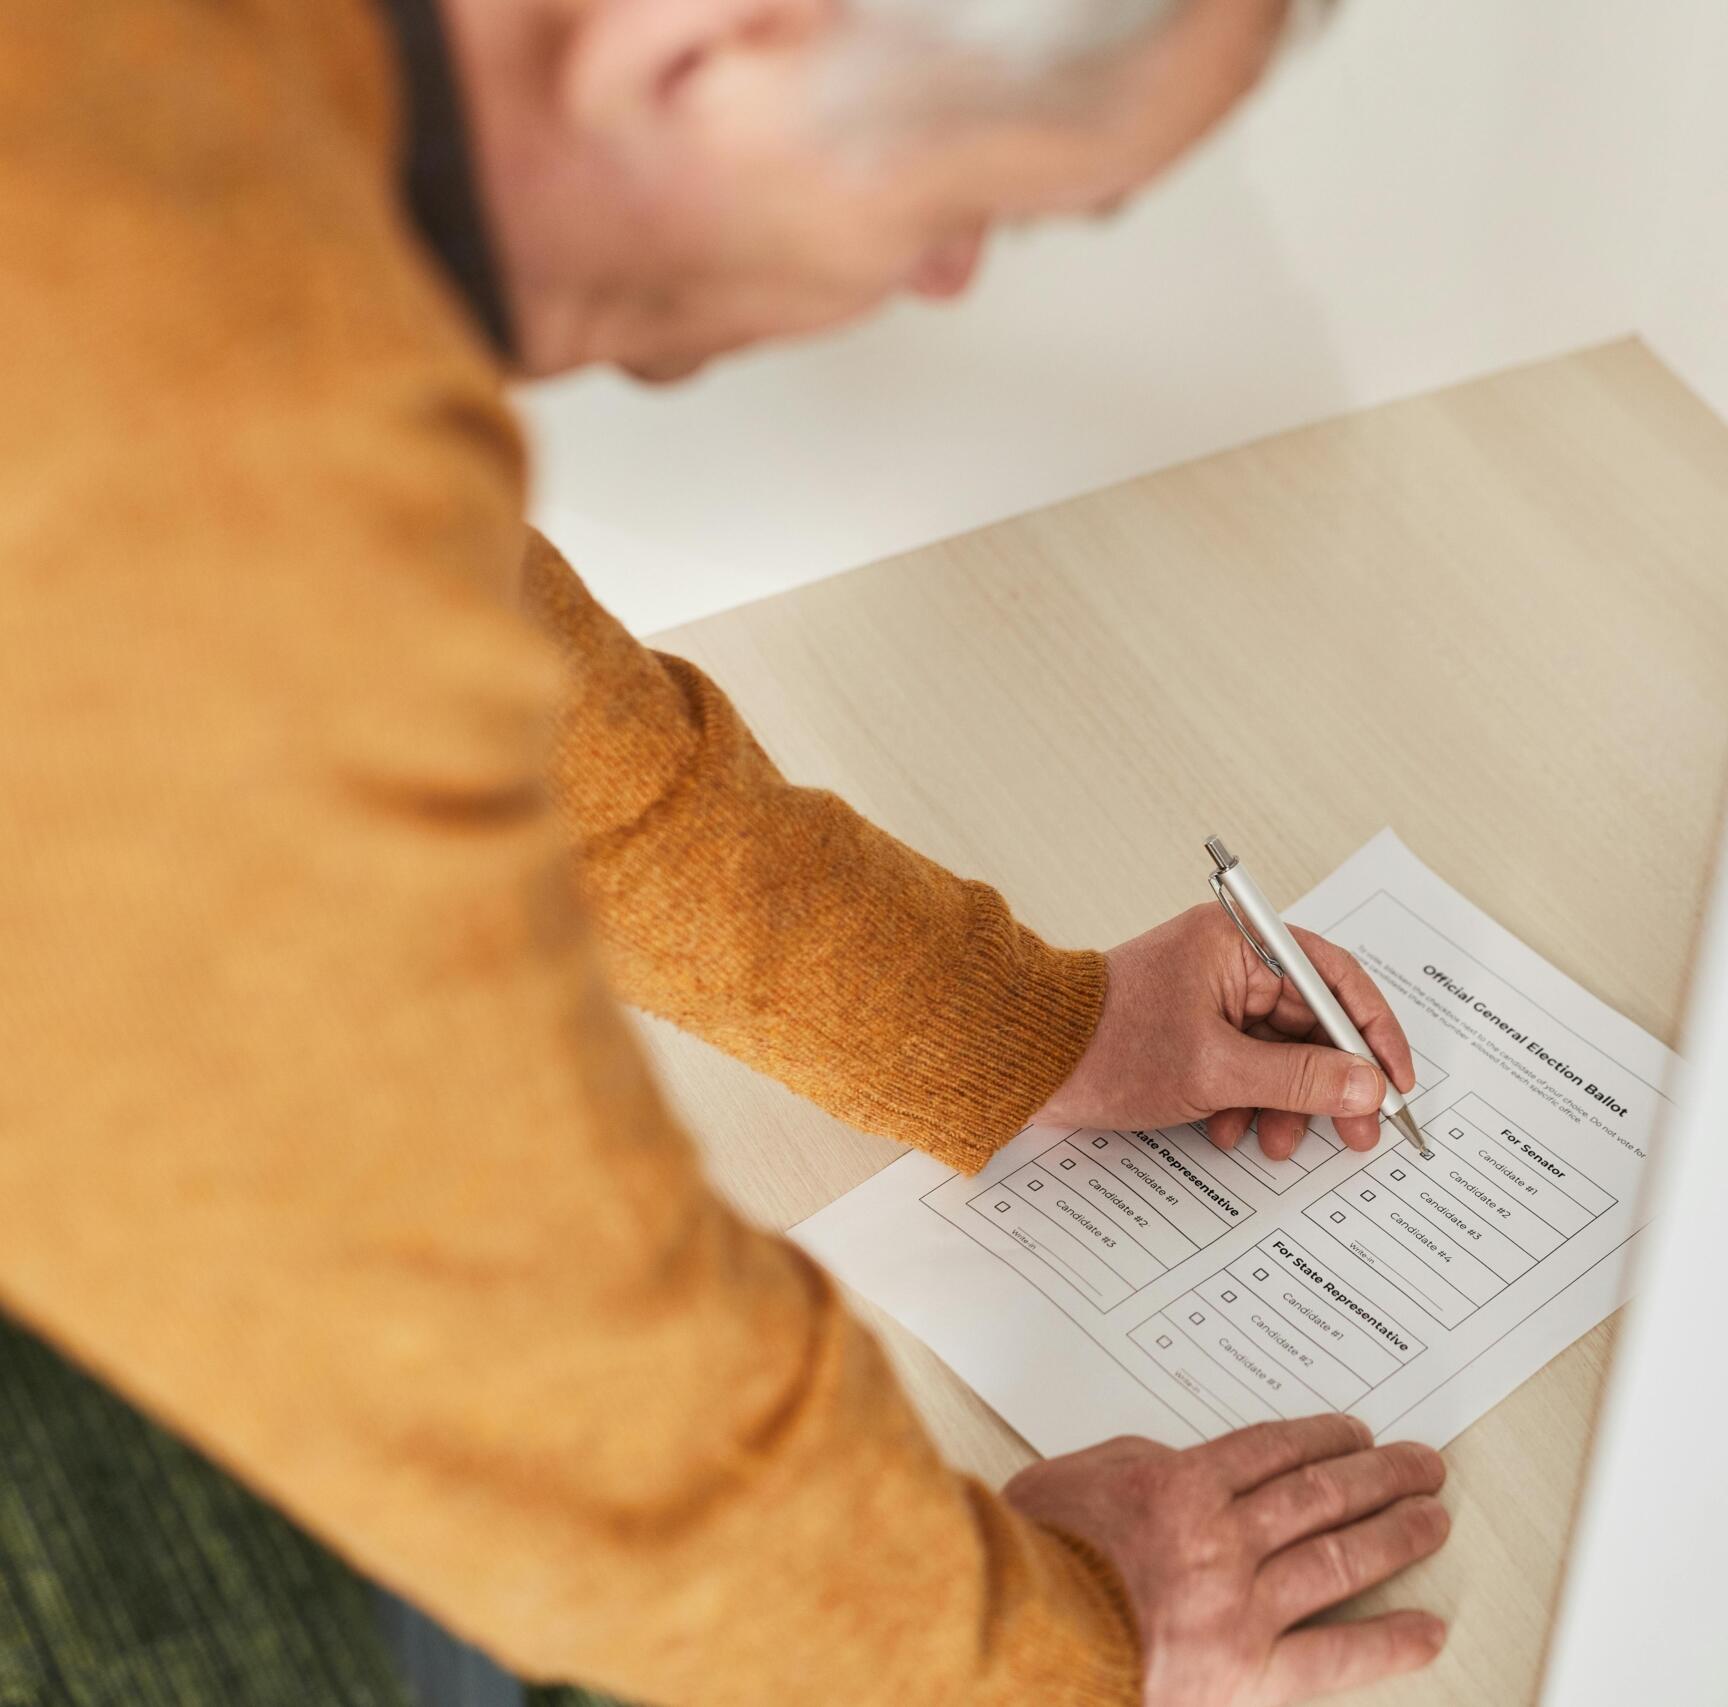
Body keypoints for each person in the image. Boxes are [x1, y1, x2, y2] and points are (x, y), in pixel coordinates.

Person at [0, 0, 1457, 1701]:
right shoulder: (174, 419)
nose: (948, 283)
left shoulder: (191, 114)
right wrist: (1056, 1650)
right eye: (965, 205)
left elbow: (548, 731)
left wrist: (1030, 1023)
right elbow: (557, 1388)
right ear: (695, 48)